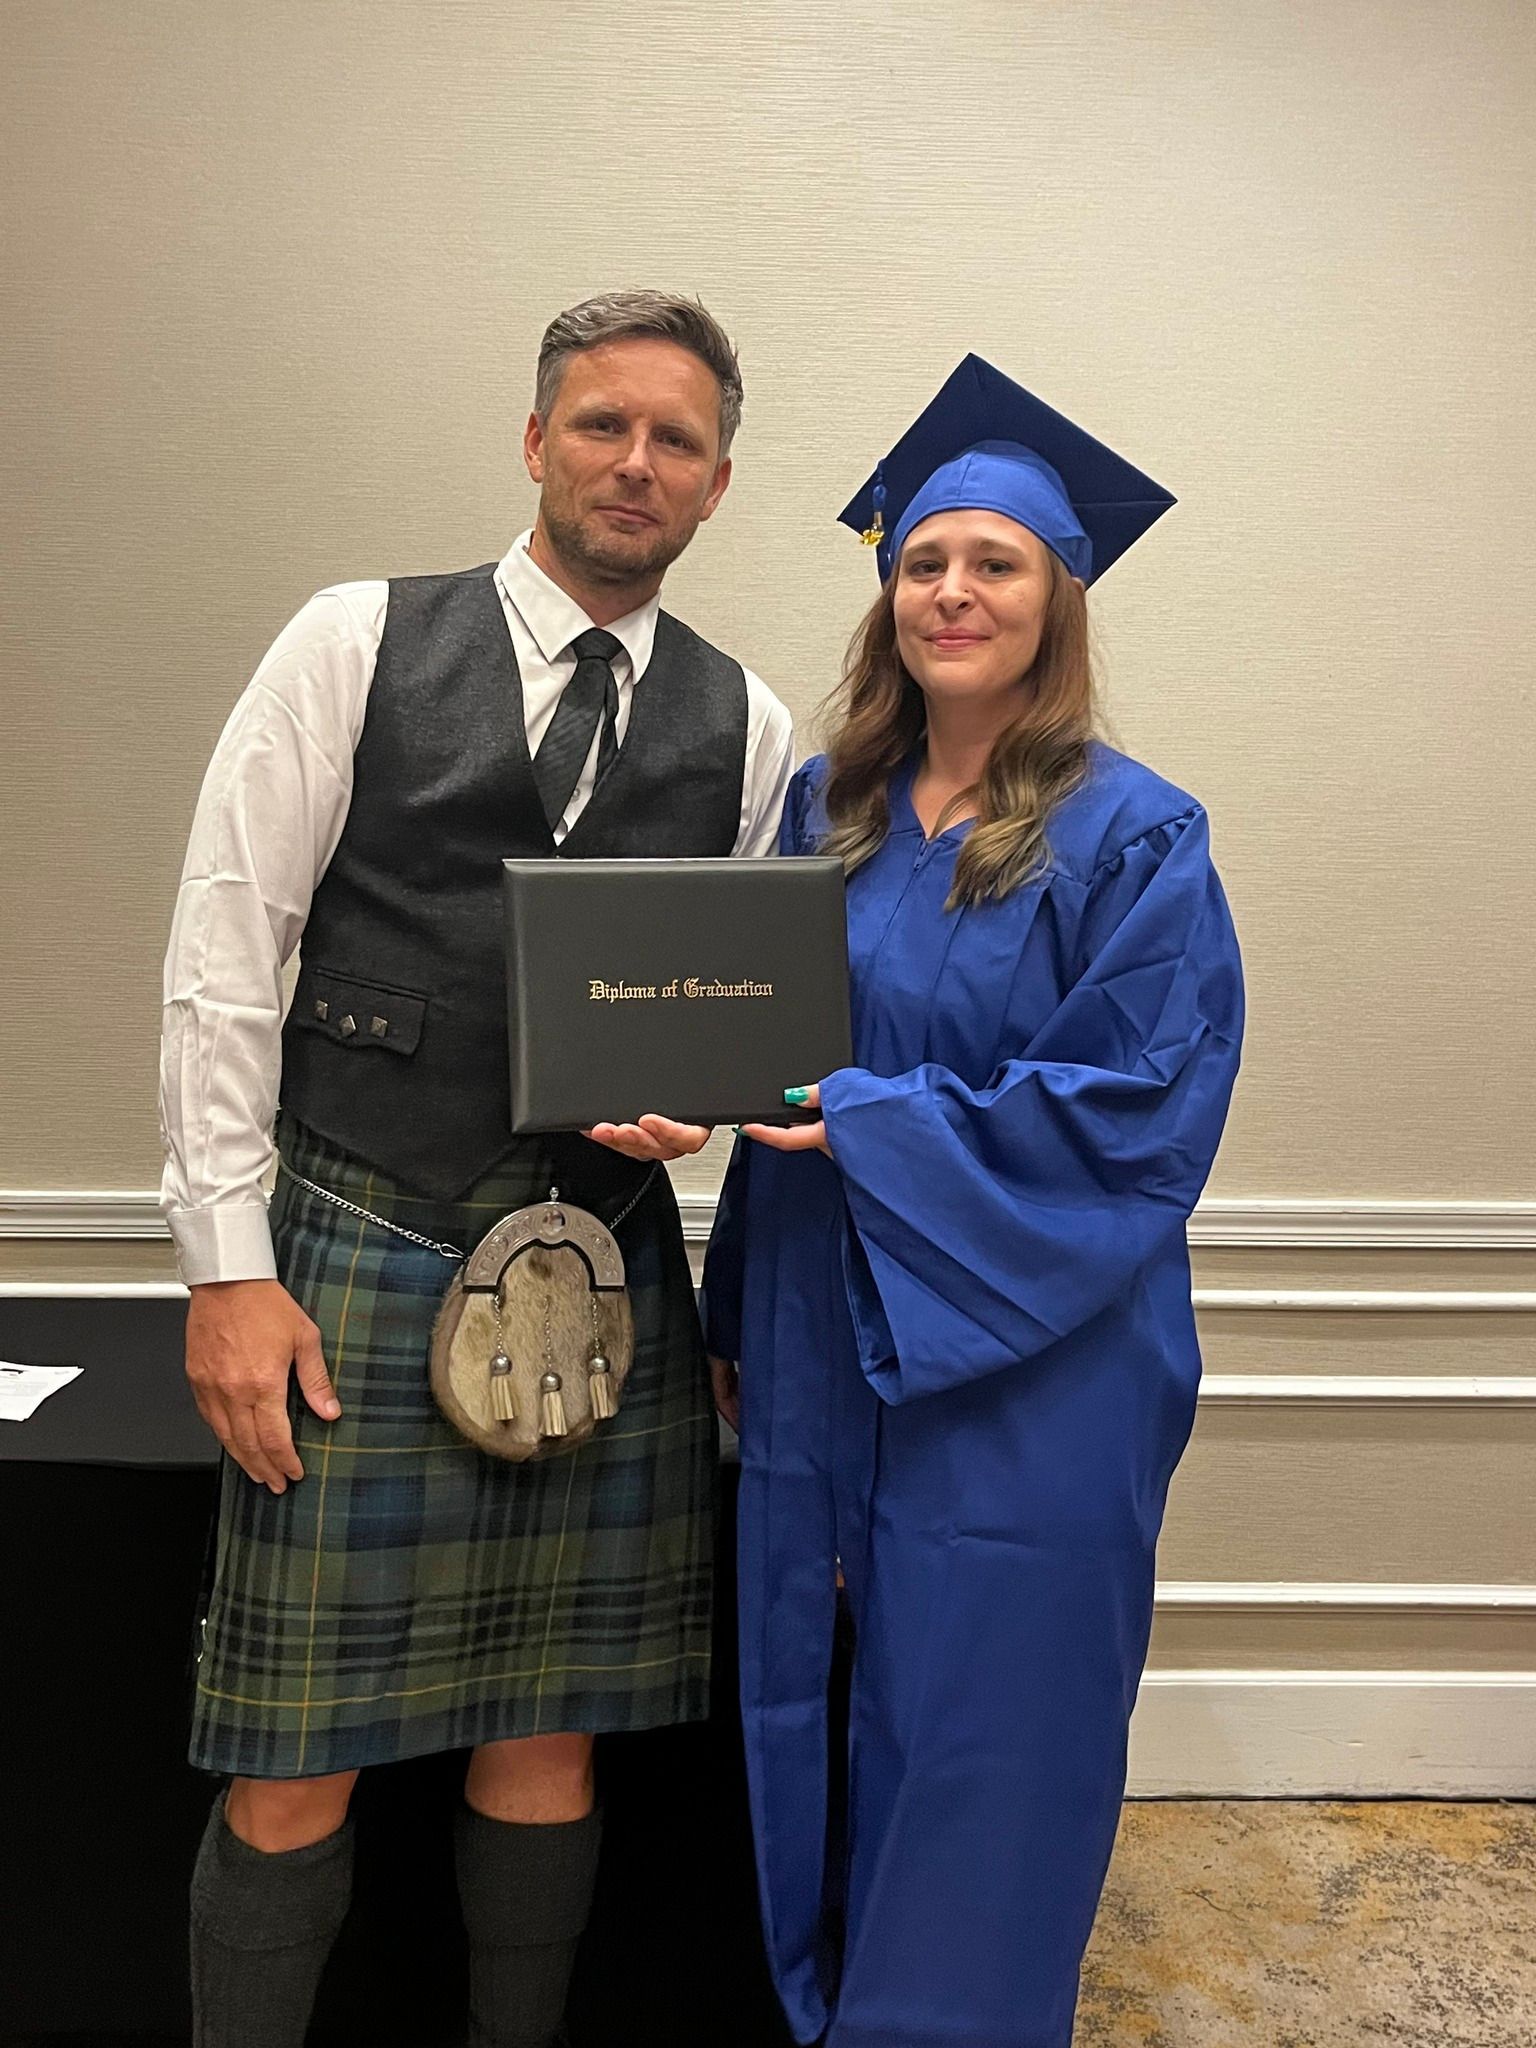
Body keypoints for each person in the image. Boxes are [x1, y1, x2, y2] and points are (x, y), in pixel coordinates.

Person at [159, 289, 793, 2048]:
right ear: (535, 441)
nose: (635, 464)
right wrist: (226, 1265)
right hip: (352, 1235)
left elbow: (721, 1012)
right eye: (603, 425)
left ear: (718, 483)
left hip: (597, 1264)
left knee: (550, 1730)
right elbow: (229, 956)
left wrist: (700, 1104)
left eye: (676, 441)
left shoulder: (748, 724)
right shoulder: (352, 639)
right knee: (298, 1760)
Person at [702, 355, 1244, 2048]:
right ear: (888, 594)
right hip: (815, 1333)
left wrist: (859, 1118)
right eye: (925, 560)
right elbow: (769, 1061)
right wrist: (720, 1233)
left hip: (1037, 1360)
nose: (954, 589)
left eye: (995, 563)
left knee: (990, 1739)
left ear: (1054, 599)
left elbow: (1137, 1113)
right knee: (818, 1707)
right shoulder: (827, 812)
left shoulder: (1140, 839)